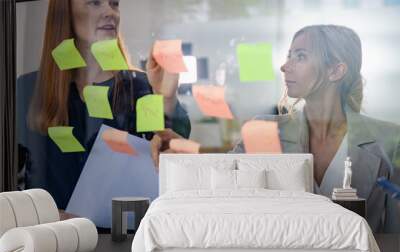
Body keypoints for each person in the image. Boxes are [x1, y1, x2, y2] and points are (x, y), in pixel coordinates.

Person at [150, 25, 400, 233]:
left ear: (336, 70)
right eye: (289, 54)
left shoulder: (389, 140)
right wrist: (179, 148)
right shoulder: (263, 131)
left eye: (300, 56)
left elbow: (395, 232)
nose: (285, 66)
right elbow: (220, 181)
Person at [17, 0, 191, 211]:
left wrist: (166, 99)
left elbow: (168, 153)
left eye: (114, 4)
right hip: (50, 236)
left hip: (120, 236)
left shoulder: (139, 86)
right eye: (95, 3)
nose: (111, 12)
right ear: (65, 14)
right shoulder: (28, 89)